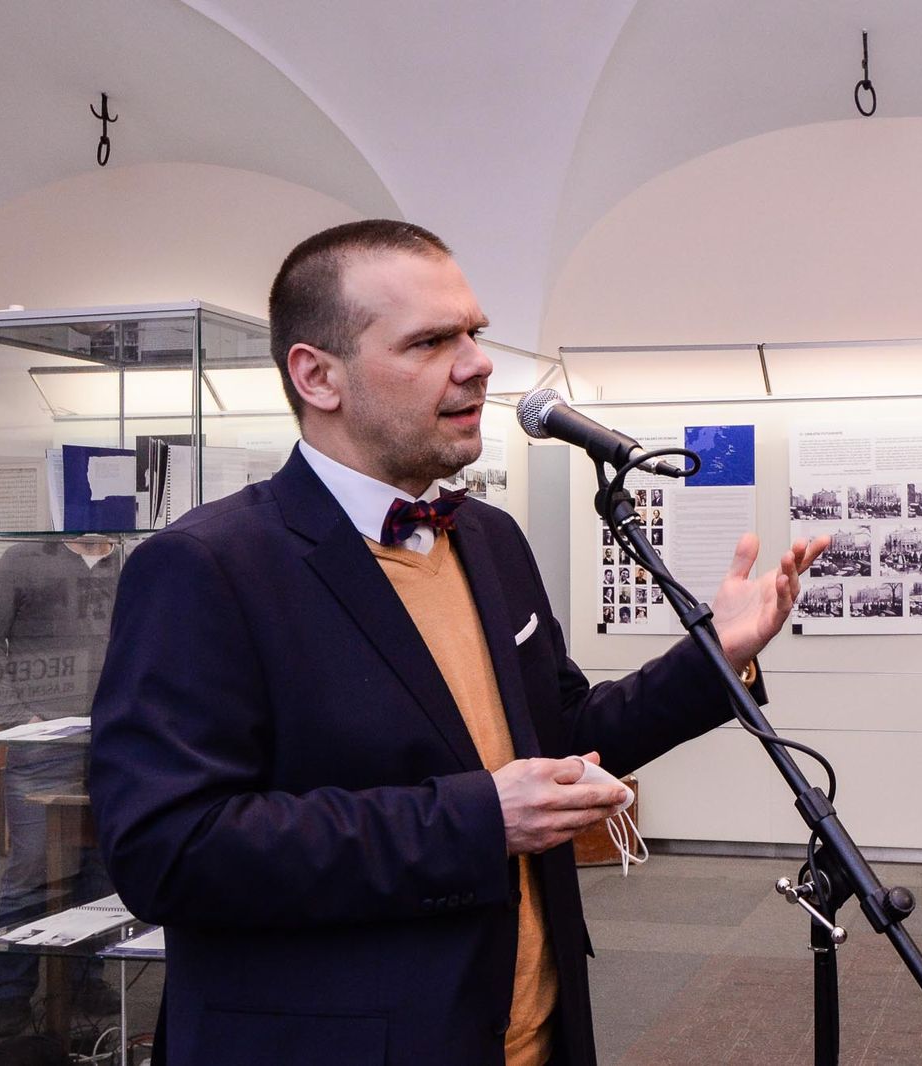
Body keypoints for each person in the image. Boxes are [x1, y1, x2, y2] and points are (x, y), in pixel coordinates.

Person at [87, 220, 825, 1066]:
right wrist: (477, 818)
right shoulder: (205, 567)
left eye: (473, 332)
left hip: (526, 1034)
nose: (477, 363)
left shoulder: (489, 537)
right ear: (317, 375)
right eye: (431, 341)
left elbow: (561, 736)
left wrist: (715, 655)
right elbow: (168, 850)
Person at [0, 539, 124, 1038]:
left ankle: (86, 976)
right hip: (43, 744)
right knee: (32, 867)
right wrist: (17, 717)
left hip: (113, 743)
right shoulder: (23, 559)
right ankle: (11, 992)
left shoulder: (129, 560)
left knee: (101, 867)